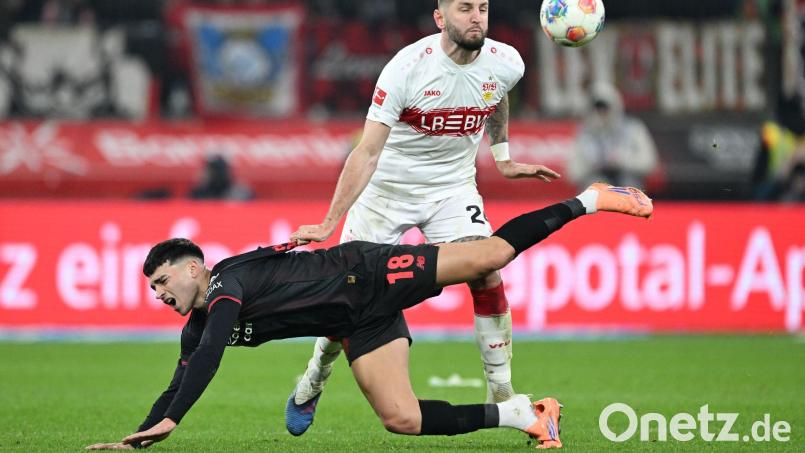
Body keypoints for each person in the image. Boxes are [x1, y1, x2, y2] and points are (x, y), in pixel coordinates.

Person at [84, 183, 654, 451]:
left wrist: (173, 422)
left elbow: (208, 358)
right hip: (361, 324)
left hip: (368, 272)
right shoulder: (198, 322)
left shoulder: (225, 286)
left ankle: (589, 199)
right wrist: (140, 437)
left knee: (490, 258)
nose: (158, 293)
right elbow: (181, 375)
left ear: (191, 270)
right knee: (401, 420)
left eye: (162, 281)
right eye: (153, 287)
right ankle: (528, 416)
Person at [286, 0, 562, 434]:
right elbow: (368, 151)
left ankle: (504, 392)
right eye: (465, 8)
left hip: (451, 189)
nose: (476, 17)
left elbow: (495, 94)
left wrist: (503, 156)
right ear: (440, 18)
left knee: (487, 270)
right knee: (346, 299)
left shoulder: (508, 61)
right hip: (387, 191)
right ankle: (314, 377)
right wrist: (327, 222)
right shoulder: (407, 68)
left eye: (483, 8)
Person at [567, 82, 659, 191]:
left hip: (627, 181)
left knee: (628, 183)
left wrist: (621, 160)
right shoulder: (584, 134)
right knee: (595, 184)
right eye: (597, 108)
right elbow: (572, 173)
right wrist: (593, 164)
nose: (601, 113)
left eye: (605, 108)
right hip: (597, 184)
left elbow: (650, 164)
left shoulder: (633, 129)